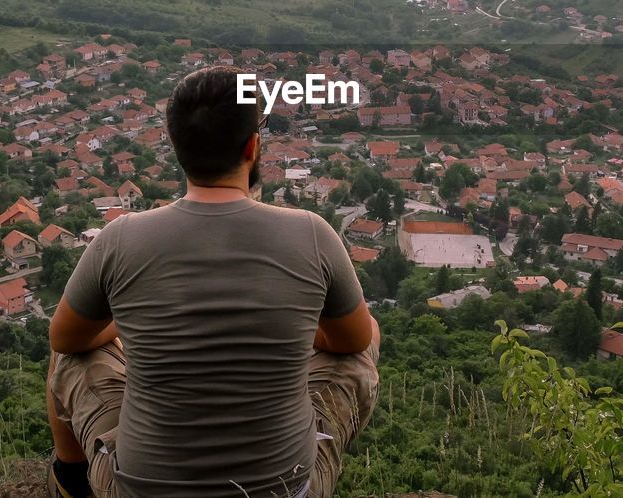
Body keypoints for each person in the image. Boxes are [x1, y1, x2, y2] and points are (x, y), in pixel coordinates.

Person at [46, 65, 379, 498]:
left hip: (138, 490)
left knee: (67, 355)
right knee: (368, 334)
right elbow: (351, 341)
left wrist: (132, 326)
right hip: (286, 489)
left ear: (176, 146)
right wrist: (279, 329)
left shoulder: (120, 238)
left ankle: (70, 481)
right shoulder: (311, 233)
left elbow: (65, 339)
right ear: (253, 147)